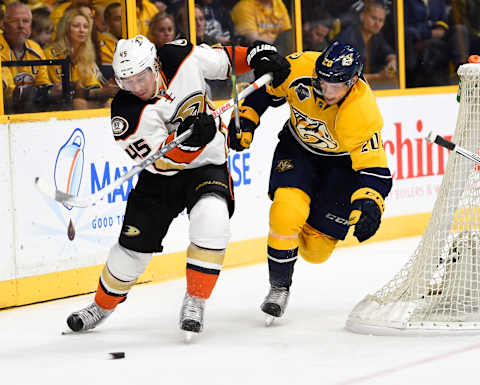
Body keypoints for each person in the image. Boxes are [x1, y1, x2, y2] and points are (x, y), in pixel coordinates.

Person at [65, 34, 254, 338]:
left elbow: (225, 62)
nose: (137, 87)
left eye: (141, 78)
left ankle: (195, 301)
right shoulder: (125, 113)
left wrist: (256, 55)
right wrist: (192, 141)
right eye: (128, 82)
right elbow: (161, 161)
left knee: (213, 218)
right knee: (131, 250)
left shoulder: (178, 56)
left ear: (155, 65)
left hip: (208, 165)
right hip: (161, 177)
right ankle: (101, 306)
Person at [228, 40, 392, 324]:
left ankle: (306, 221)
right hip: (298, 150)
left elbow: (373, 166)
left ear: (353, 81)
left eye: (335, 86)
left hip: (341, 167)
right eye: (322, 82)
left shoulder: (362, 110)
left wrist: (370, 203)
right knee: (285, 213)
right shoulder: (299, 68)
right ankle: (279, 287)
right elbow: (263, 92)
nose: (326, 91)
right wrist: (245, 119)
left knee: (316, 253)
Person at [44, 8, 118, 109]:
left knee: (107, 103)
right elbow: (63, 91)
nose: (82, 30)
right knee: (79, 103)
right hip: (56, 104)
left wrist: (104, 92)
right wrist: (100, 93)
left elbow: (92, 85)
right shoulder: (51, 53)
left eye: (85, 27)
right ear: (65, 28)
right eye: (76, 26)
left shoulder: (86, 54)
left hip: (81, 100)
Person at [0, 2, 61, 113]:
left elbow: (43, 83)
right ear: (3, 24)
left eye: (26, 21)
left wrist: (54, 89)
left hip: (30, 108)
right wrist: (46, 92)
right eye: (14, 21)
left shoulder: (35, 48)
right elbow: (8, 92)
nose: (21, 25)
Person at [336, 0, 397, 86]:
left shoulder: (376, 37)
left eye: (381, 20)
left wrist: (392, 63)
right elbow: (344, 77)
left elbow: (390, 54)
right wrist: (378, 76)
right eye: (373, 18)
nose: (377, 24)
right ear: (362, 16)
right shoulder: (348, 39)